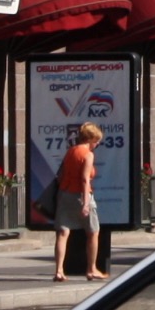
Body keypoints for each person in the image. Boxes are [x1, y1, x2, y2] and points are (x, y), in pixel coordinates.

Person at [50, 120, 104, 282]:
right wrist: (86, 203)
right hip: (81, 195)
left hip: (65, 194)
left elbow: (61, 175)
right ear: (90, 140)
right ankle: (91, 268)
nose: (96, 145)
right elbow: (84, 180)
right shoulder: (88, 155)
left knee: (63, 232)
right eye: (96, 142)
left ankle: (59, 270)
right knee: (93, 232)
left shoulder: (71, 151)